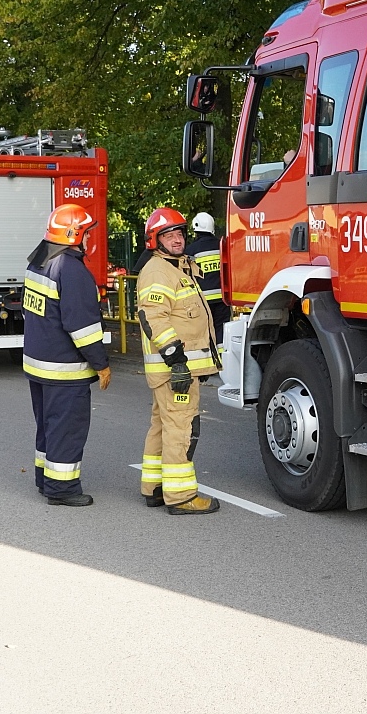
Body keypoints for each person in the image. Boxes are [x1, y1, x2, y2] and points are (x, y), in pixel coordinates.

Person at [23, 203, 111, 507]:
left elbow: (31, 311)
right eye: (86, 232)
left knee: (48, 427)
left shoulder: (39, 262)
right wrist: (101, 364)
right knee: (67, 429)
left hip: (38, 364)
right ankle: (62, 489)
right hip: (64, 369)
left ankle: (44, 480)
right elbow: (82, 327)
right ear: (75, 235)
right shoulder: (72, 270)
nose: (89, 238)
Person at [137, 207, 223, 515]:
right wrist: (177, 362)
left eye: (179, 233)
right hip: (174, 369)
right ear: (154, 241)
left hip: (176, 369)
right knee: (181, 429)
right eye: (168, 235)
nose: (177, 239)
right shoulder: (159, 271)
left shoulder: (178, 267)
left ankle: (155, 488)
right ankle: (181, 497)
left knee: (163, 426)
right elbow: (153, 318)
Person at [186, 212, 229, 343]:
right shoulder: (223, 246)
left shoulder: (190, 250)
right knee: (221, 331)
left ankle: (209, 355)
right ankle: (222, 354)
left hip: (202, 301)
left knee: (205, 332)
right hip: (223, 299)